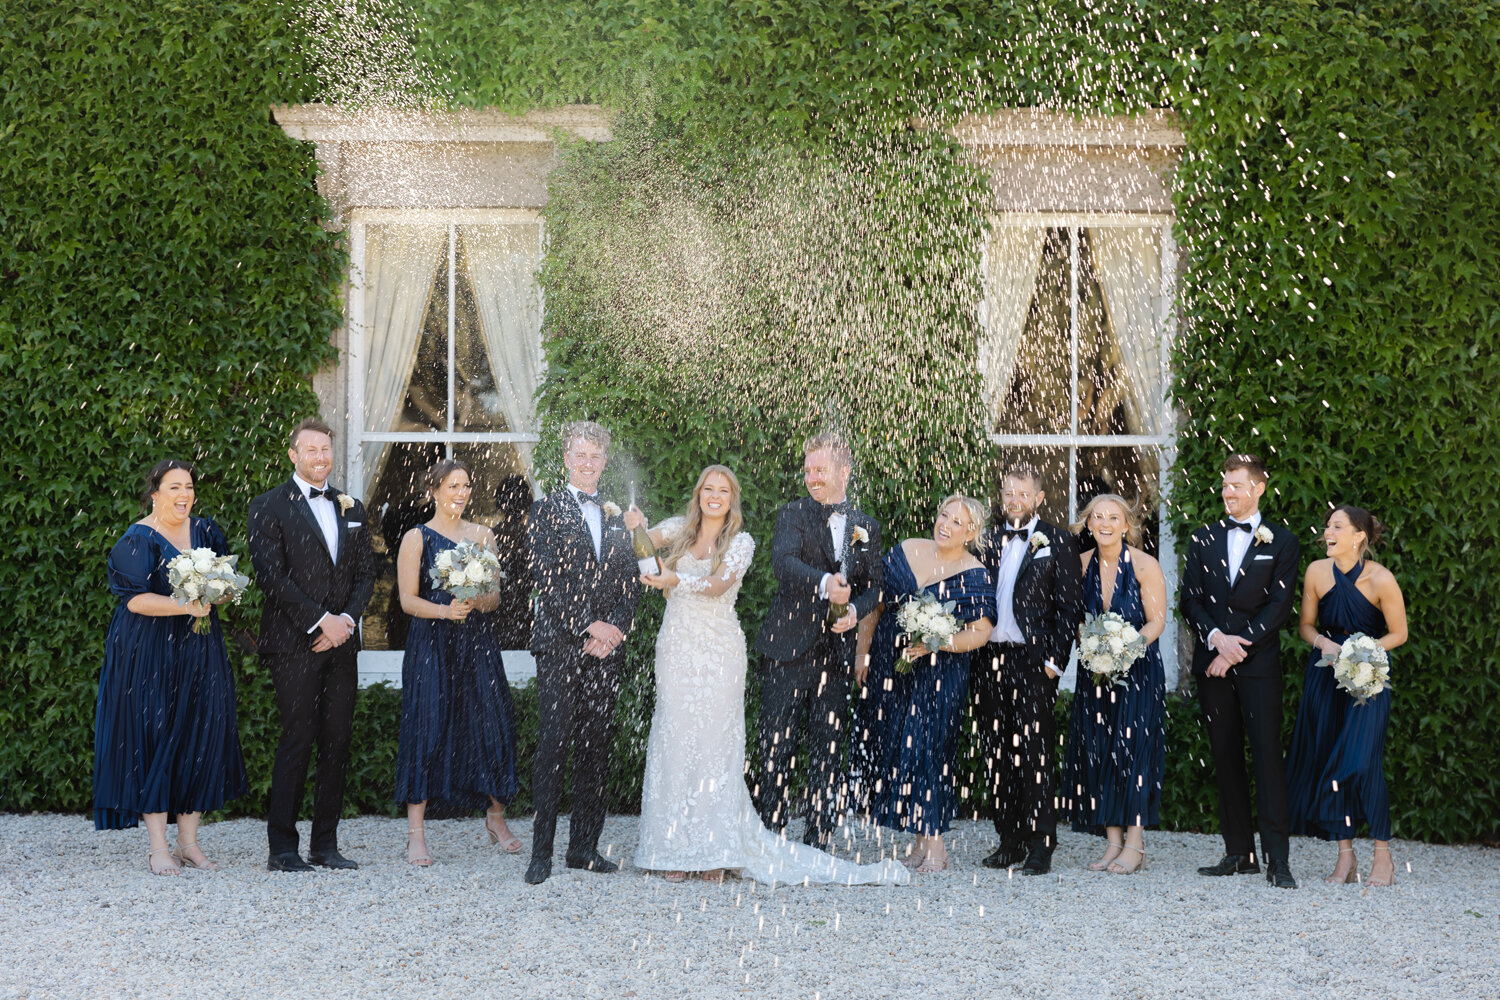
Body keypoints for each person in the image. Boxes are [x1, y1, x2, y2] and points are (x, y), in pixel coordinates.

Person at [628, 466, 907, 886]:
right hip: (678, 646)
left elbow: (720, 585)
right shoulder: (678, 530)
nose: (715, 496)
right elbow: (645, 550)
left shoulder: (741, 542)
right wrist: (637, 528)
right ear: (698, 493)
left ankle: (716, 848)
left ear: (732, 497)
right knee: (674, 736)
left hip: (720, 649)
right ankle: (673, 846)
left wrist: (674, 578)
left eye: (723, 490)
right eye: (708, 489)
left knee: (715, 744)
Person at [94, 460, 248, 874]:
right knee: (156, 735)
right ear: (155, 493)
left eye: (190, 487)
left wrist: (219, 593)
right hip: (149, 651)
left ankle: (190, 843)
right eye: (174, 487)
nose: (184, 494)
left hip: (201, 648)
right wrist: (185, 604)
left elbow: (223, 586)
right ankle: (158, 847)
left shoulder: (205, 531)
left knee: (202, 733)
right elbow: (134, 600)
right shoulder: (137, 539)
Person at [249, 418, 376, 872]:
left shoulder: (352, 506)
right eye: (311, 450)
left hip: (341, 643)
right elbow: (271, 577)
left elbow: (366, 574)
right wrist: (319, 621)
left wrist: (344, 622)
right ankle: (282, 848)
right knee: (297, 740)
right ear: (293, 455)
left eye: (326, 450)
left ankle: (325, 845)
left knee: (337, 743)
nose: (321, 458)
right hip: (293, 644)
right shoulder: (267, 506)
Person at [523, 421, 642, 885]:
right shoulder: (544, 511)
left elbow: (631, 579)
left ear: (604, 461)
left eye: (596, 455)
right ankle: (541, 854)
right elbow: (545, 577)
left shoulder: (617, 515)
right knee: (553, 745)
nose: (588, 461)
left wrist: (614, 629)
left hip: (605, 648)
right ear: (566, 458)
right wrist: (588, 624)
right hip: (559, 644)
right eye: (580, 454)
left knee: (596, 746)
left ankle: (585, 848)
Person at [851, 496, 995, 873]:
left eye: (957, 521)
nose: (945, 523)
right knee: (901, 746)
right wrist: (862, 652)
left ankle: (937, 848)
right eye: (943, 514)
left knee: (929, 748)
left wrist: (938, 641)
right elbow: (876, 603)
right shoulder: (908, 549)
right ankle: (918, 842)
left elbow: (981, 632)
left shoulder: (975, 572)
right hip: (892, 668)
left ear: (971, 532)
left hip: (940, 675)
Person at [754, 433, 883, 850]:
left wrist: (853, 612)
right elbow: (784, 563)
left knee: (828, 749)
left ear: (844, 472)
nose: (812, 477)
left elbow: (874, 589)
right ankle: (769, 839)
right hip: (786, 649)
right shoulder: (792, 514)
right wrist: (826, 584)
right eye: (808, 470)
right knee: (775, 744)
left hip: (836, 656)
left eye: (820, 470)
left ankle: (818, 842)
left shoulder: (866, 527)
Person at [1181, 452, 1300, 889]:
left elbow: (1278, 606)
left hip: (1258, 668)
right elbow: (1189, 601)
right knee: (1225, 756)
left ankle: (1278, 859)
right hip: (1212, 666)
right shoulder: (1202, 539)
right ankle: (1239, 852)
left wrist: (1235, 650)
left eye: (1237, 485)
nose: (1228, 492)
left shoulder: (1283, 543)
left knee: (1267, 757)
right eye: (1225, 484)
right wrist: (1216, 640)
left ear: (1258, 488)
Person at [394, 460, 521, 866]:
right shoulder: (416, 538)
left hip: (477, 641)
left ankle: (496, 819)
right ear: (434, 491)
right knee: (426, 727)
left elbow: (495, 598)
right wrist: (445, 612)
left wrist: (475, 597)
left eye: (466, 485)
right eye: (453, 486)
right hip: (431, 642)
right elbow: (407, 600)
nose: (462, 493)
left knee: (492, 722)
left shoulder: (483, 536)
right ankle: (416, 834)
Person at [970, 464, 1083, 875]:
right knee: (997, 752)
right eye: (1007, 493)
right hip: (989, 659)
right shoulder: (986, 540)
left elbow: (1070, 608)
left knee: (1034, 754)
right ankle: (1009, 839)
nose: (1013, 501)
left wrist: (1055, 662)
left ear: (1038, 498)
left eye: (1022, 494)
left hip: (1033, 662)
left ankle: (1041, 844)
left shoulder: (1059, 541)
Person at [1286, 505, 1407, 886]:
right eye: (1327, 526)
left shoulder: (1381, 579)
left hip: (1368, 680)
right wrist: (1326, 644)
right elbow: (1306, 626)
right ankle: (1345, 857)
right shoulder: (1316, 572)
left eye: (1337, 526)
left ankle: (1383, 857)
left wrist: (1363, 653)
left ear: (1358, 537)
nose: (1327, 532)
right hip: (1325, 677)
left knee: (1362, 762)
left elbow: (1399, 633)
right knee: (1326, 758)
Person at [1061, 495, 1167, 875]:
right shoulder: (1081, 565)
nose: (1105, 523)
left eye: (1114, 517)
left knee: (1134, 752)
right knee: (1100, 750)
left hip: (1138, 672)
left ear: (1126, 525)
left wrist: (1125, 649)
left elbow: (1157, 621)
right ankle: (1112, 843)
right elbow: (1076, 619)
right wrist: (1092, 648)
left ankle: (1135, 844)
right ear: (1088, 525)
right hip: (1096, 673)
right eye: (1097, 517)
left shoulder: (1144, 564)